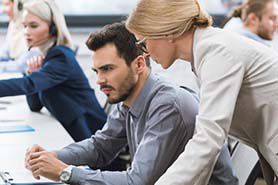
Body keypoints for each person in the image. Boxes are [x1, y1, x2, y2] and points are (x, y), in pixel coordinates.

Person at [24, 22, 238, 185]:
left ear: (138, 64)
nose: (99, 80)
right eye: (97, 71)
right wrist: (51, 157)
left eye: (107, 69)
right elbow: (101, 147)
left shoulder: (168, 106)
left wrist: (65, 172)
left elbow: (138, 181)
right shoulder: (128, 97)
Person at [126, 0, 278, 184]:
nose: (145, 52)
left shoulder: (216, 52)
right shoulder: (206, 51)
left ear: (167, 32)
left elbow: (208, 140)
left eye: (143, 43)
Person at [0, 0, 106, 142]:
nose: (26, 32)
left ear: (53, 28)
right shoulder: (46, 57)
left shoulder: (61, 57)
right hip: (72, 134)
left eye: (33, 26)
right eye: (24, 26)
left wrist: (32, 78)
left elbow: (28, 85)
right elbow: (35, 105)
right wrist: (32, 73)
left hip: (93, 139)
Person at [0, 0, 39, 73]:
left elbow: (21, 66)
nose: (3, 10)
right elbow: (4, 52)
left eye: (7, 5)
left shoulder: (30, 29)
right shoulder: (14, 25)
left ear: (19, 6)